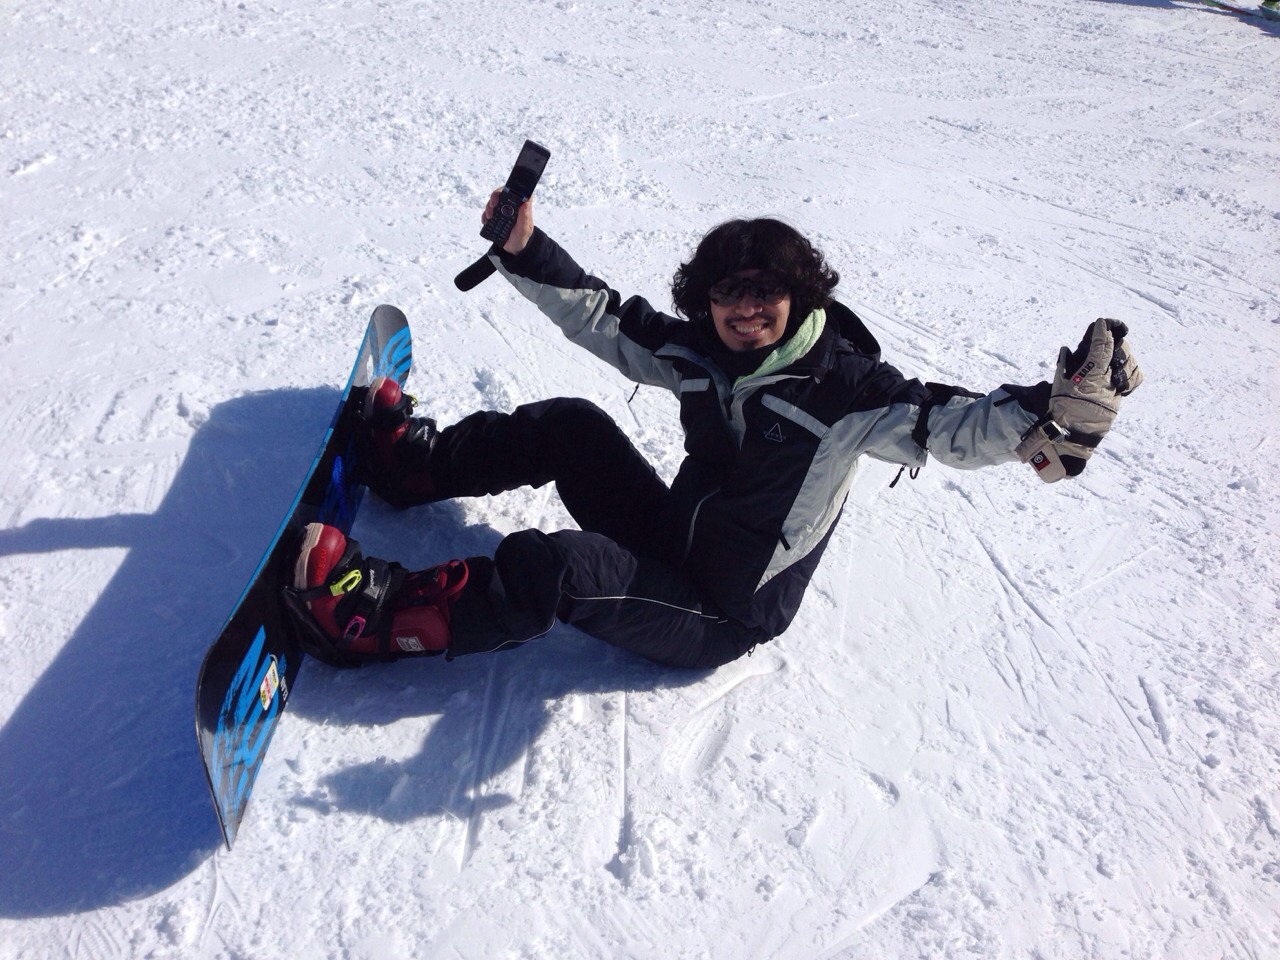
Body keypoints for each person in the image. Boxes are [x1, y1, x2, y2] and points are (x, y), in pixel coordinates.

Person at [287, 193, 1142, 670]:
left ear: (801, 296)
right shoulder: (705, 355)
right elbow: (607, 320)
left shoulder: (849, 396)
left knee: (561, 567)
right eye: (729, 293)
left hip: (718, 611)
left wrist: (1049, 413)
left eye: (766, 291)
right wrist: (525, 247)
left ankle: (375, 617)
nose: (746, 309)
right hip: (671, 538)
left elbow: (946, 425)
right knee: (575, 425)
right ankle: (412, 468)